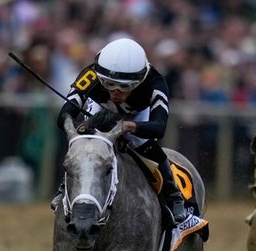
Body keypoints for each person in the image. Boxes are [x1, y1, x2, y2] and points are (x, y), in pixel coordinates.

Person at [52, 37, 188, 224]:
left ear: (140, 81)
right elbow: (65, 114)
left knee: (143, 144)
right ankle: (65, 187)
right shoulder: (90, 74)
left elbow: (159, 128)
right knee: (86, 145)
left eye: (125, 86)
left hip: (136, 115)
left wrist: (128, 126)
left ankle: (173, 194)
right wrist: (78, 130)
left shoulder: (156, 83)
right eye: (109, 84)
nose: (116, 91)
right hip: (100, 108)